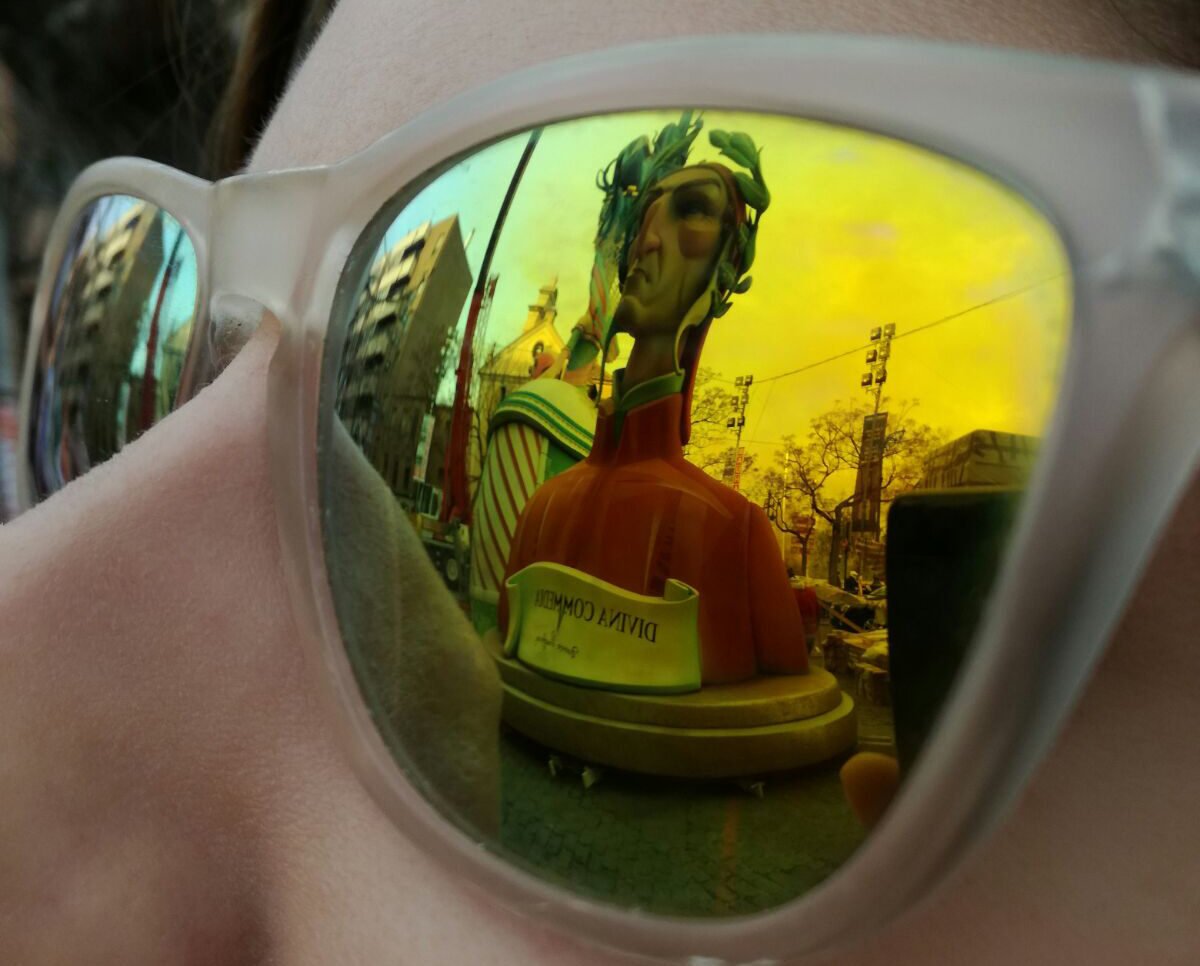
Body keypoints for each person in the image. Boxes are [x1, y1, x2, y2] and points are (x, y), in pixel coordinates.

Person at [1, 2, 1197, 965]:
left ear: (730, 264)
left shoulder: (730, 534)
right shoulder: (552, 509)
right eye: (119, 400)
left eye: (697, 214)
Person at [499, 156, 810, 686]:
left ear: (722, 276)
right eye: (644, 217)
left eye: (692, 212)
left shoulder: (738, 535)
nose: (647, 240)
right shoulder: (539, 510)